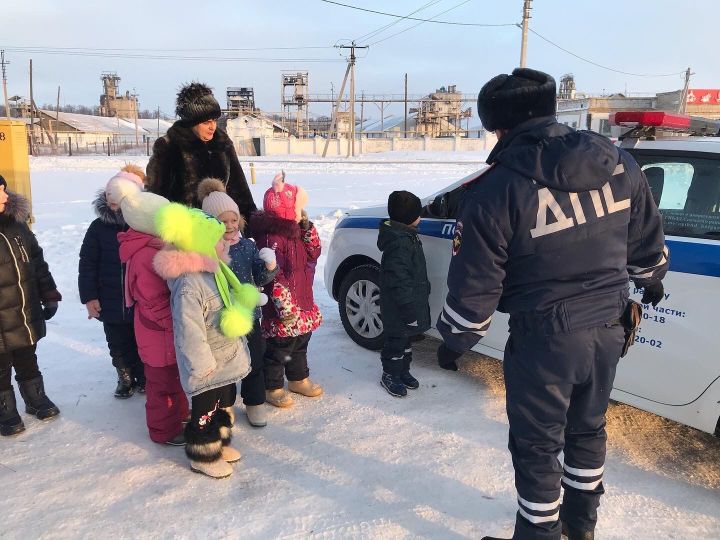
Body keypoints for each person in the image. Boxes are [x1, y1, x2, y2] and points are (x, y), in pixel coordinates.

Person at [434, 68, 669, 540]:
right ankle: (581, 528)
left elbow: (473, 293)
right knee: (586, 430)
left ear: (500, 128)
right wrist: (649, 282)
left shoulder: (496, 190)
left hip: (546, 341)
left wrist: (455, 338)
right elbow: (648, 253)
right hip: (610, 327)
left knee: (537, 447)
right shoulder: (620, 163)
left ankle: (538, 534)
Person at [154, 202, 258, 478]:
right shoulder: (189, 284)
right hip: (207, 362)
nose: (226, 245)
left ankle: (220, 443)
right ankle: (203, 454)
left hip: (224, 356)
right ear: (201, 246)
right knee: (204, 410)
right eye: (219, 241)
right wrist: (201, 364)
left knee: (223, 403)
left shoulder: (215, 271)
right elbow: (189, 330)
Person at [112, 179, 190, 446]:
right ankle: (162, 430)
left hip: (164, 329)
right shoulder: (145, 255)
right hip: (158, 330)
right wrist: (177, 318)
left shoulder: (155, 246)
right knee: (160, 385)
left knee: (175, 378)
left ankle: (180, 415)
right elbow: (152, 299)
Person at [197, 178, 279, 427]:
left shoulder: (247, 246)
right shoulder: (206, 252)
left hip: (250, 316)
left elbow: (261, 277)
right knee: (227, 365)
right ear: (211, 223)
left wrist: (270, 264)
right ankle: (226, 405)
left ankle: (254, 403)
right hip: (222, 320)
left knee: (255, 360)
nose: (231, 226)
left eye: (234, 220)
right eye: (224, 221)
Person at [249, 173, 323, 408]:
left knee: (301, 342)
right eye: (298, 209)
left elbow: (314, 252)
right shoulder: (272, 237)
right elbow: (274, 276)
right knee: (280, 348)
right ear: (288, 210)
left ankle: (298, 378)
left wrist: (307, 227)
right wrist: (284, 307)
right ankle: (273, 386)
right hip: (284, 308)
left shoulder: (295, 231)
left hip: (302, 300)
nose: (300, 213)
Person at [0, 174, 62, 436]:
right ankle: (5, 410)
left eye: (4, 190)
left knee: (27, 356)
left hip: (23, 310)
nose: (5, 196)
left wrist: (48, 293)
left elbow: (36, 260)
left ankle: (36, 399)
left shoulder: (16, 224)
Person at [145, 82, 257, 225]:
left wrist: (250, 223)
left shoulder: (222, 143)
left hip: (221, 229)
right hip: (185, 231)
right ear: (191, 122)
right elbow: (156, 195)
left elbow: (239, 188)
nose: (212, 127)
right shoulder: (169, 145)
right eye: (206, 122)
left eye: (215, 121)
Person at [78, 165, 146, 398]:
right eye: (109, 194)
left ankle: (144, 375)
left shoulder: (143, 226)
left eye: (119, 194)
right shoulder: (98, 228)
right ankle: (124, 375)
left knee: (142, 340)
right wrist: (89, 296)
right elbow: (87, 263)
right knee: (117, 342)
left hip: (140, 300)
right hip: (109, 300)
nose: (112, 199)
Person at [377, 191, 431, 397]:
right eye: (418, 214)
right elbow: (398, 280)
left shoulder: (407, 235)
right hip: (399, 305)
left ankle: (403, 371)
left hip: (409, 300)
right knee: (396, 342)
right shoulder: (399, 243)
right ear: (409, 218)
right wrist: (408, 307)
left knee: (406, 340)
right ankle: (390, 374)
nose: (421, 217)